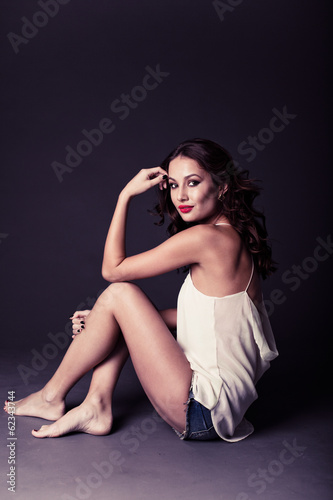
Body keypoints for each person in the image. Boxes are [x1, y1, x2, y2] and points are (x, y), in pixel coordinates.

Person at [4, 138, 278, 441]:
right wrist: (108, 320)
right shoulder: (233, 239)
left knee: (120, 293)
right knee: (120, 308)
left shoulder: (206, 239)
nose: (181, 196)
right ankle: (96, 405)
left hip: (201, 411)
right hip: (221, 411)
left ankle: (52, 396)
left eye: (193, 182)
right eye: (173, 185)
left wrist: (125, 196)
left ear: (222, 186)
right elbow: (208, 318)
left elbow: (112, 270)